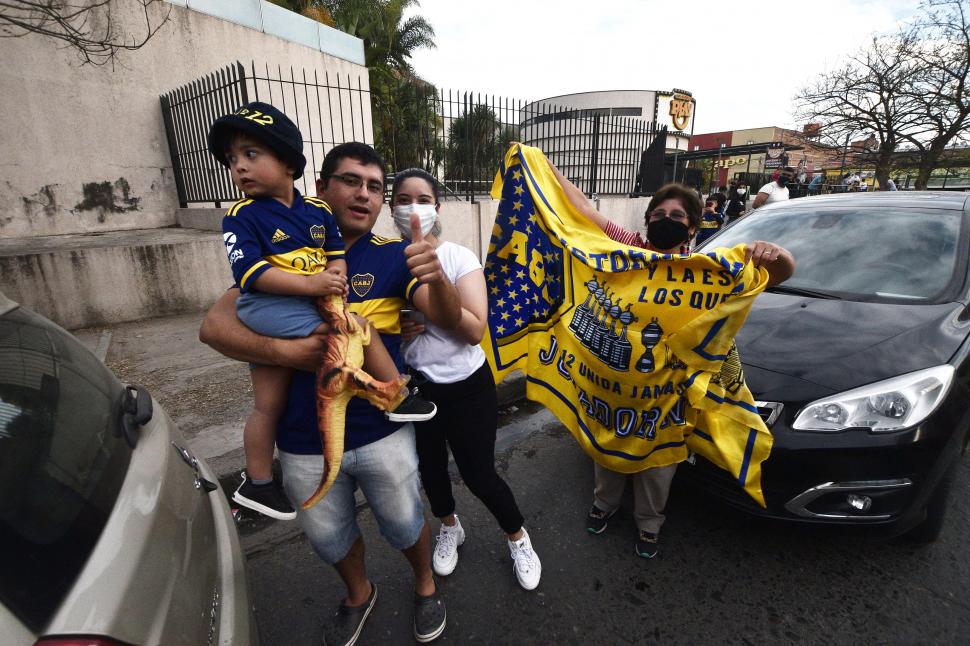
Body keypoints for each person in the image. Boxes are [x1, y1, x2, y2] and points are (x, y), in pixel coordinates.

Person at [199, 142, 463, 645]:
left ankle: (426, 584)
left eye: (374, 188)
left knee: (406, 524)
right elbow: (214, 328)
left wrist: (437, 277)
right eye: (350, 181)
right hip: (301, 441)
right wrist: (290, 354)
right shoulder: (283, 251)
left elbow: (449, 318)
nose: (363, 195)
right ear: (320, 188)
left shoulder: (393, 257)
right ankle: (359, 594)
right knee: (328, 537)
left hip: (383, 431)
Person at [546, 161, 794, 559]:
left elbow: (777, 274)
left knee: (659, 465)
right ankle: (603, 505)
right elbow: (583, 210)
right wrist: (547, 169)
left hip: (670, 394)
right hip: (615, 391)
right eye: (659, 215)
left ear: (693, 227)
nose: (667, 220)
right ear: (646, 224)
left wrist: (775, 254)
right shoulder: (627, 252)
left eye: (677, 216)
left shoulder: (709, 269)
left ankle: (649, 523)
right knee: (606, 451)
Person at [205, 103, 436, 522]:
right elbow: (245, 283)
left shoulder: (321, 217)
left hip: (367, 423)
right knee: (355, 328)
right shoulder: (242, 215)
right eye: (234, 158)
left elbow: (333, 256)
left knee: (266, 406)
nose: (239, 167)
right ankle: (395, 394)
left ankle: (257, 485)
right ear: (321, 183)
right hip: (273, 311)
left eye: (251, 154)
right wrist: (294, 334)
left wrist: (336, 285)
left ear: (289, 164)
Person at [390, 168, 542, 591]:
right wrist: (399, 320)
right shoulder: (387, 261)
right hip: (417, 389)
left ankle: (518, 537)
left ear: (437, 207)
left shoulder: (458, 257)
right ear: (391, 208)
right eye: (402, 199)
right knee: (432, 472)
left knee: (478, 474)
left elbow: (474, 329)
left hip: (467, 386)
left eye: (422, 198)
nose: (412, 207)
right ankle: (449, 527)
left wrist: (435, 279)